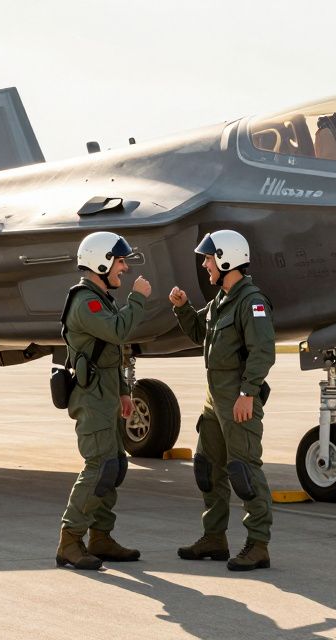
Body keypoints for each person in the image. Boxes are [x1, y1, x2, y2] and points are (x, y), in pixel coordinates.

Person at [169, 230, 276, 571]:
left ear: (227, 259)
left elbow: (263, 352)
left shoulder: (251, 301)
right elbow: (200, 333)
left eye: (209, 258)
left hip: (237, 397)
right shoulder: (220, 302)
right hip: (214, 399)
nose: (205, 264)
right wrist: (183, 308)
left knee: (244, 470)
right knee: (207, 468)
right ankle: (214, 538)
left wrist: (248, 393)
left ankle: (258, 545)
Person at [56, 231, 152, 569]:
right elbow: (119, 332)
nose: (124, 268)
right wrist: (138, 299)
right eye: (120, 260)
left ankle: (101, 537)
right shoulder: (86, 302)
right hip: (93, 398)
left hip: (108, 395)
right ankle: (70, 540)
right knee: (99, 467)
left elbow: (113, 351)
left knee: (115, 466)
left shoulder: (102, 298)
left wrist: (125, 392)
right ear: (101, 261)